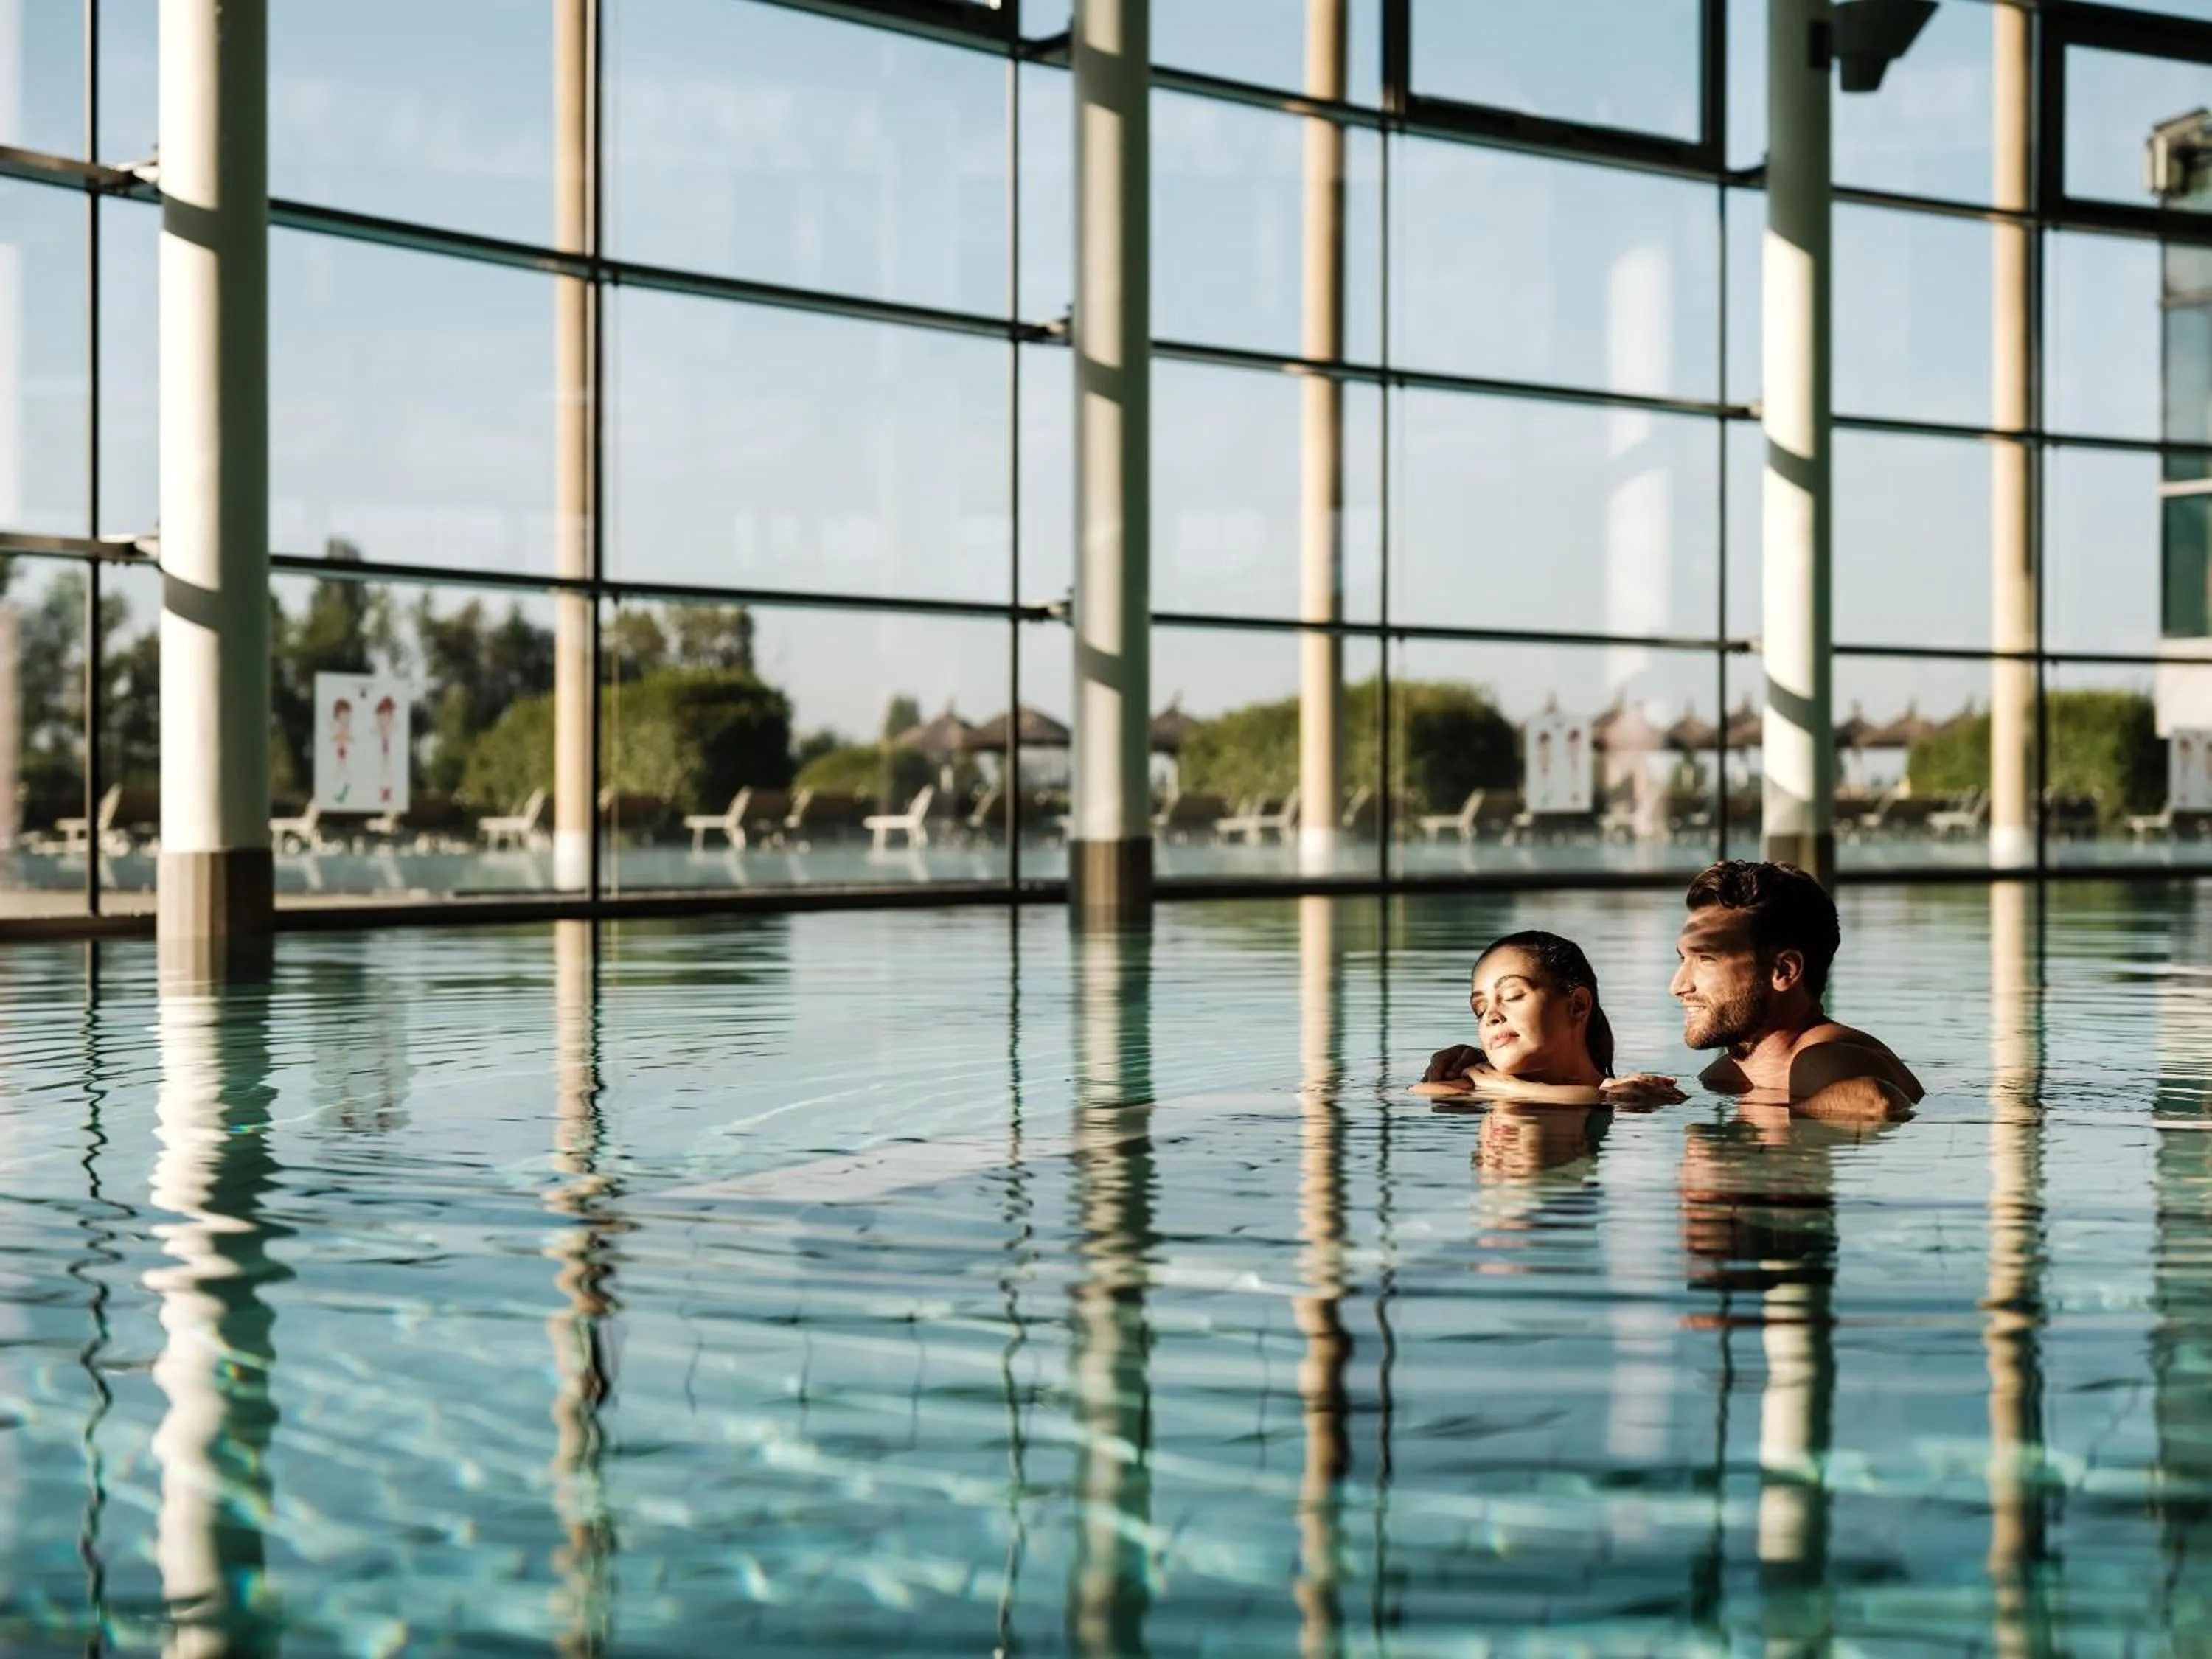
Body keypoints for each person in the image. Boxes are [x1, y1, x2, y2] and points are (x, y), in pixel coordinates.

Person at [1672, 859, 1922, 1120]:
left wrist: (1772, 1113)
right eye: (1683, 959)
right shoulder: (1733, 1072)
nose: (1678, 986)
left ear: (1784, 971)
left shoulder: (1818, 1057)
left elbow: (1877, 1102)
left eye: (1706, 959)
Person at [1416, 930, 1684, 1105]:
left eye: (1512, 995)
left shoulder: (1639, 1093)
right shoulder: (1460, 1090)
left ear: (1577, 1006)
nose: (1491, 1017)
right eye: (1480, 1009)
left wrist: (1506, 1088)